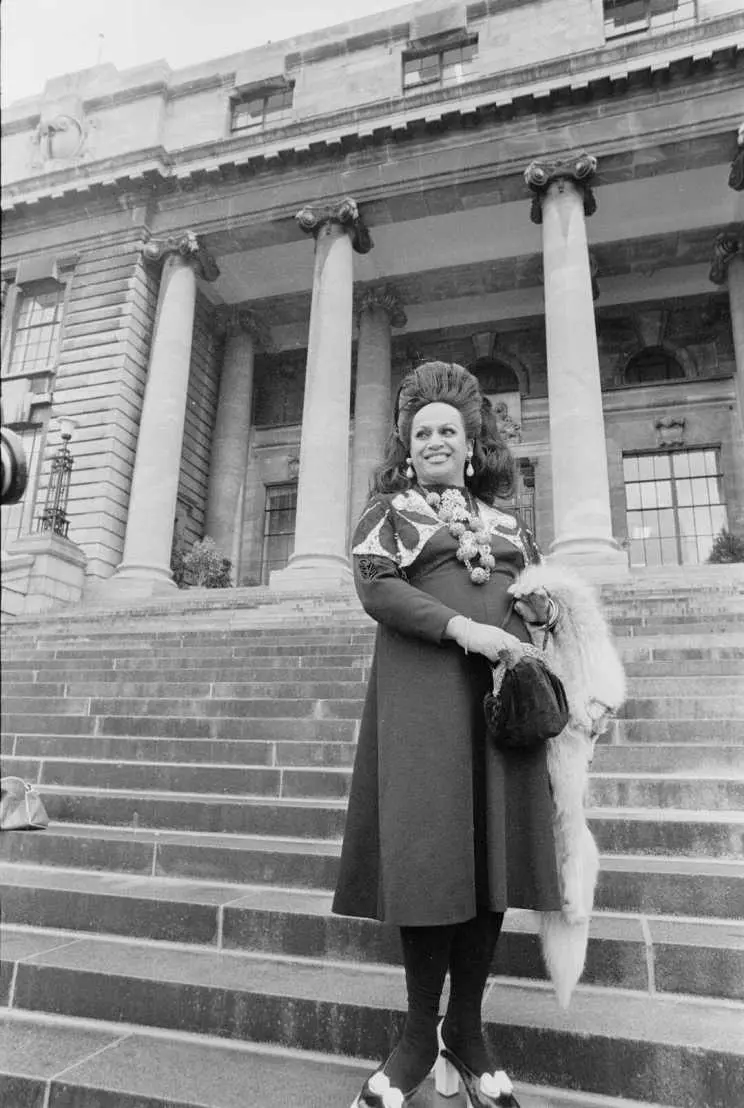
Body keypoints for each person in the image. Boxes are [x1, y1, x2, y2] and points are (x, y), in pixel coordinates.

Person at [334, 361, 625, 1108]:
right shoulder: (388, 512)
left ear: (470, 448)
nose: (434, 440)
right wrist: (469, 630)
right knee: (431, 859)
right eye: (422, 431)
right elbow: (378, 588)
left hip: (500, 711)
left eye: (448, 432)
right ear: (408, 445)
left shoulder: (505, 525)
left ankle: (467, 1029)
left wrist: (550, 624)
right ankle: (413, 1038)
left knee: (489, 860)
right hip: (423, 705)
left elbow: (535, 600)